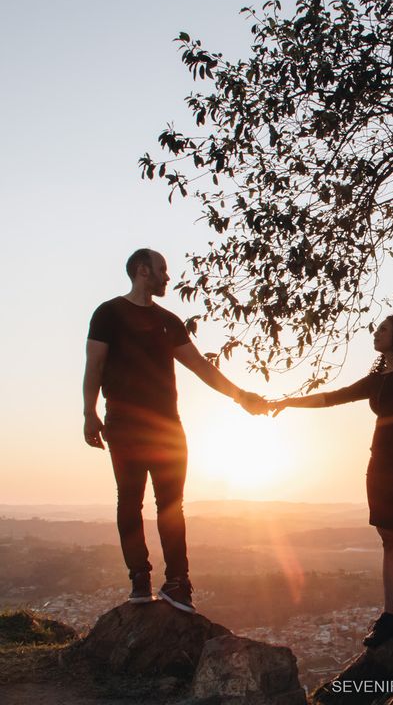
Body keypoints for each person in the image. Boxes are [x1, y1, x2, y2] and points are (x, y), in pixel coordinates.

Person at [83, 248, 264, 613]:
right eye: (162, 270)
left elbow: (200, 366)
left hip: (167, 426)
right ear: (142, 270)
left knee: (170, 506)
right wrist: (89, 413)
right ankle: (139, 578)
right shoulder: (108, 314)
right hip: (124, 424)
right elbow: (95, 365)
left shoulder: (169, 322)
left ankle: (178, 583)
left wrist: (240, 396)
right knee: (130, 501)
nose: (168, 277)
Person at [264, 315, 393, 645]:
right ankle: (392, 617)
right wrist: (288, 402)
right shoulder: (378, 379)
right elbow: (333, 397)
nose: (376, 334)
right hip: (381, 467)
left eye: (383, 329)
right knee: (390, 539)